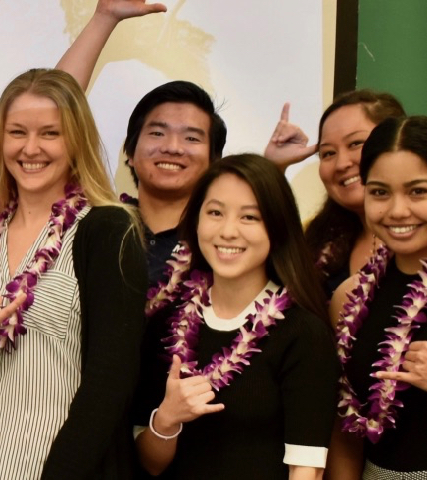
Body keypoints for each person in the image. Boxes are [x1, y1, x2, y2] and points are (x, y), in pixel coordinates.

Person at [0, 68, 147, 479]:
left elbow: (110, 387)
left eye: (50, 133)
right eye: (17, 132)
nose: (31, 148)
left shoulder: (108, 231)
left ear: (76, 140)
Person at [131, 154, 337, 479]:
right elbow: (150, 465)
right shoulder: (166, 323)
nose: (228, 231)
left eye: (249, 217)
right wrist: (167, 419)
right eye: (215, 212)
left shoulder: (303, 333)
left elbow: (305, 470)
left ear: (278, 227)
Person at [56, 0, 224, 285]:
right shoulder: (93, 226)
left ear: (214, 160)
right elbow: (51, 113)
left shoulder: (224, 242)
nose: (172, 147)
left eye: (191, 138)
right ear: (130, 153)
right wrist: (104, 18)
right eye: (157, 133)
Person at [326, 115, 427, 479]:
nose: (398, 210)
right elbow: (345, 426)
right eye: (380, 192)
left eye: (418, 191)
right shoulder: (350, 297)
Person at [261, 90, 406, 294]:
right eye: (328, 153)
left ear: (398, 141)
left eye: (355, 144)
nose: (341, 163)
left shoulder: (418, 237)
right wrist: (273, 168)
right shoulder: (316, 240)